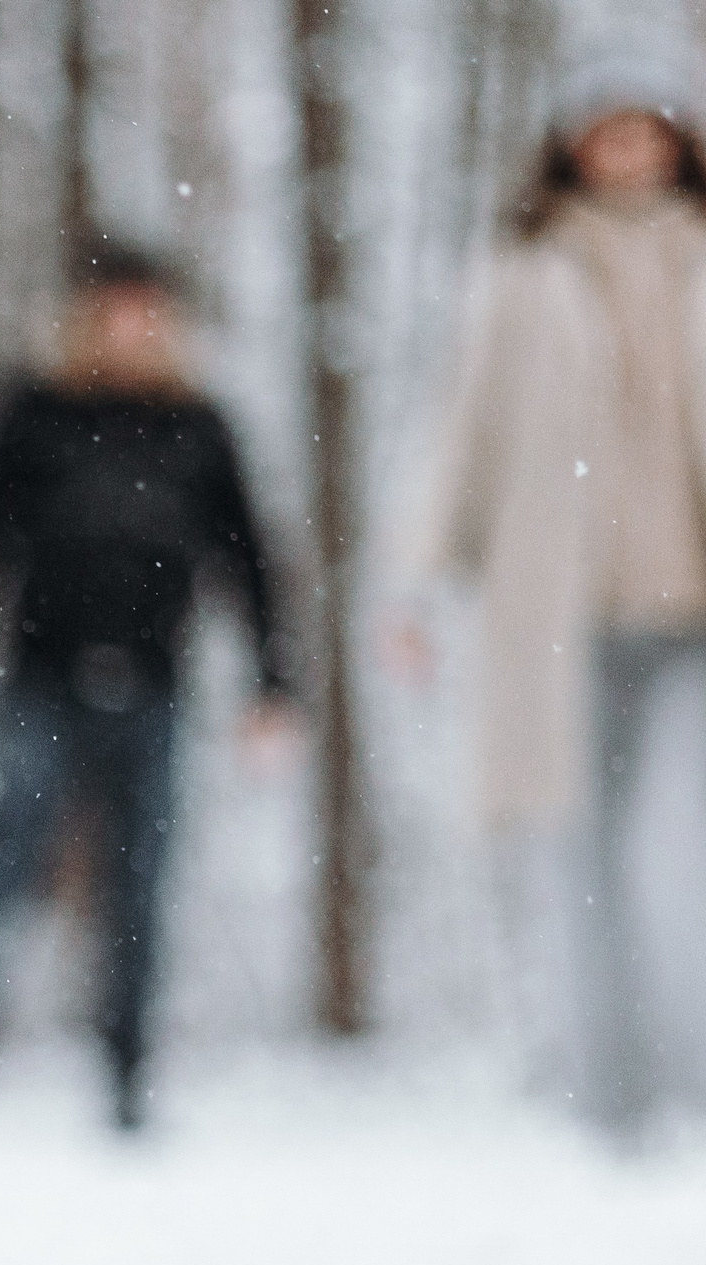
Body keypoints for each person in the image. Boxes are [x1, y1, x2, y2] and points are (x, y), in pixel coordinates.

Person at [394, 45, 706, 1140]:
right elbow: (461, 434)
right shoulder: (523, 274)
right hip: (565, 613)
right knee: (580, 855)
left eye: (647, 128)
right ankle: (605, 1092)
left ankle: (689, 1078)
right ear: (571, 148)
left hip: (693, 610)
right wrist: (419, 581)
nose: (628, 151)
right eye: (607, 130)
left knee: (682, 851)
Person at [0, 248, 296, 1133]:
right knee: (3, 869)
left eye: (148, 313)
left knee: (141, 886)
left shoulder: (199, 427)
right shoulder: (33, 412)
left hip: (157, 686)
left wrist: (274, 682)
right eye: (114, 312)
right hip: (37, 681)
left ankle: (128, 1075)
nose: (132, 330)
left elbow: (248, 557)